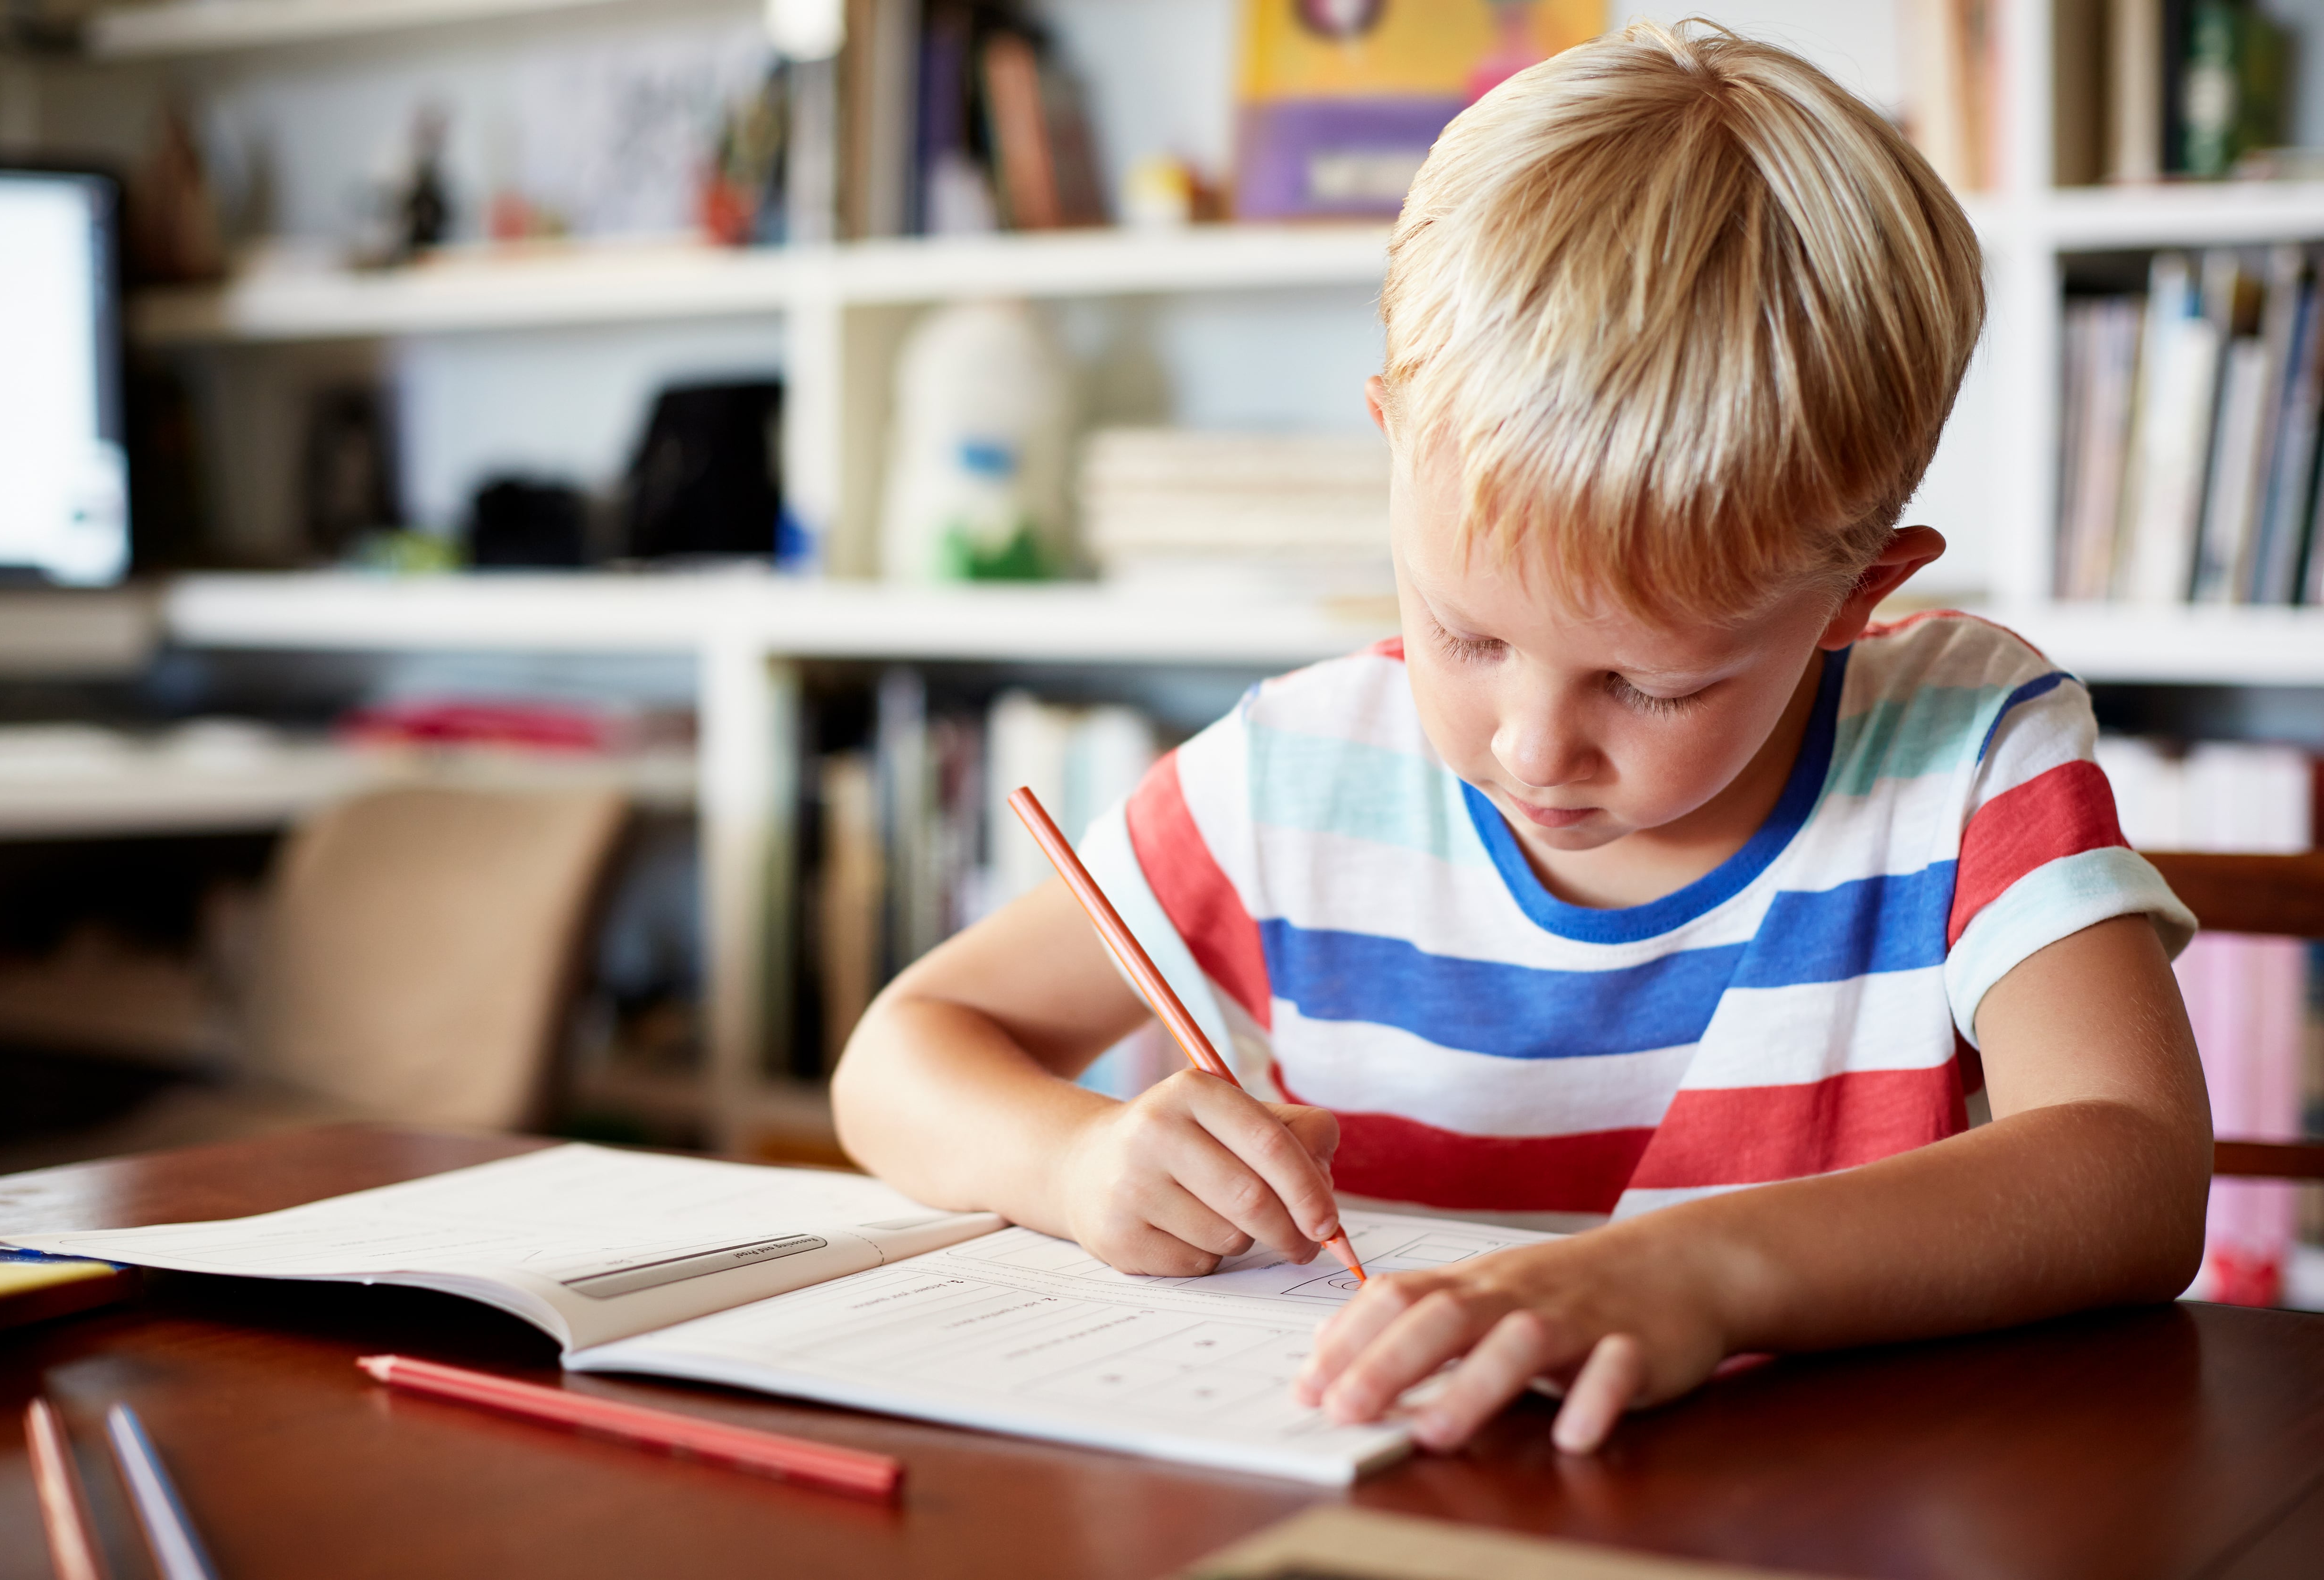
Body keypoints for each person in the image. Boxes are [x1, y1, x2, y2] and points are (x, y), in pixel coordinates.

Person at [831, 20, 2210, 1455]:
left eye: (1652, 685)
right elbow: (900, 1056)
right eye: (1467, 634)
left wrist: (1708, 1270)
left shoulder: (1967, 748)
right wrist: (1078, 1159)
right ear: (1391, 447)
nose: (1535, 746)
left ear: (1859, 594)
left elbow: (2134, 1167)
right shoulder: (1295, 779)